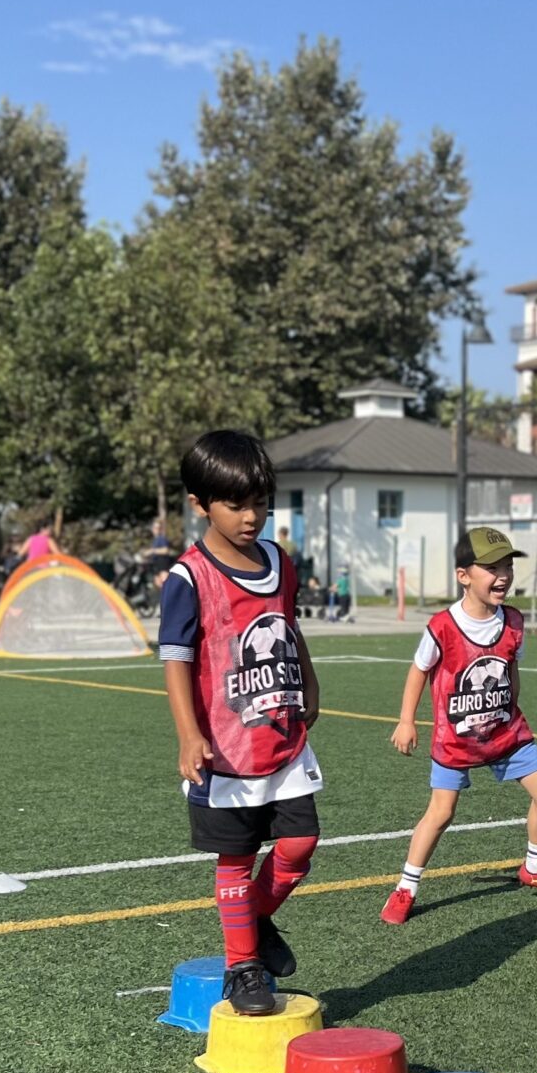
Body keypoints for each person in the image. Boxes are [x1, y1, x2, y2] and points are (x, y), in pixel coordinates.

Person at [158, 432, 322, 1016]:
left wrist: (309, 678)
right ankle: (242, 966)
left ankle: (251, 921)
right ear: (200, 503)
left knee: (301, 844)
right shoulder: (188, 577)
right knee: (236, 858)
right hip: (223, 749)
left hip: (281, 734)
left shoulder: (280, 561)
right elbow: (175, 658)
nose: (251, 516)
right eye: (235, 504)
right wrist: (187, 734)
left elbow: (289, 624)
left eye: (261, 502)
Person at [381, 528, 537, 923]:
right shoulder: (442, 626)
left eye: (507, 565)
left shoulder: (514, 622)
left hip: (506, 732)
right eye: (491, 567)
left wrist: (511, 710)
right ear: (464, 576)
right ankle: (406, 888)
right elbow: (419, 671)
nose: (502, 574)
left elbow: (512, 671)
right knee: (441, 813)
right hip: (455, 741)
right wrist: (407, 721)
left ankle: (536, 868)